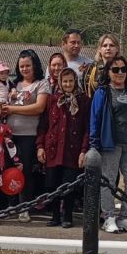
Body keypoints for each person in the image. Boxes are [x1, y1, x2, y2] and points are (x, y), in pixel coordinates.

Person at [90, 56, 127, 234]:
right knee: (108, 181)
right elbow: (95, 119)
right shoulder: (103, 92)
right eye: (115, 70)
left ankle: (126, 216)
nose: (120, 73)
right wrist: (94, 145)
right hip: (110, 144)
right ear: (108, 72)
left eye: (123, 69)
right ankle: (108, 216)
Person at [37, 67, 89, 228]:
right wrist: (40, 146)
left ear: (75, 82)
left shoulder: (83, 100)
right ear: (60, 82)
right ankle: (55, 216)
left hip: (71, 150)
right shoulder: (53, 99)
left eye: (70, 81)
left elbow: (87, 128)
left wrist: (83, 150)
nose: (67, 84)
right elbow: (44, 125)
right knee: (52, 184)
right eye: (65, 81)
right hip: (53, 149)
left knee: (69, 186)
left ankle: (67, 216)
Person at [4, 49, 50, 222]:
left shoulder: (42, 84)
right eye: (21, 66)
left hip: (29, 135)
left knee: (25, 172)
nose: (24, 69)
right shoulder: (12, 84)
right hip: (9, 134)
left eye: (27, 66)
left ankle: (25, 207)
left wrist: (12, 109)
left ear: (35, 66)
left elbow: (39, 107)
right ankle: (11, 205)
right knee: (9, 170)